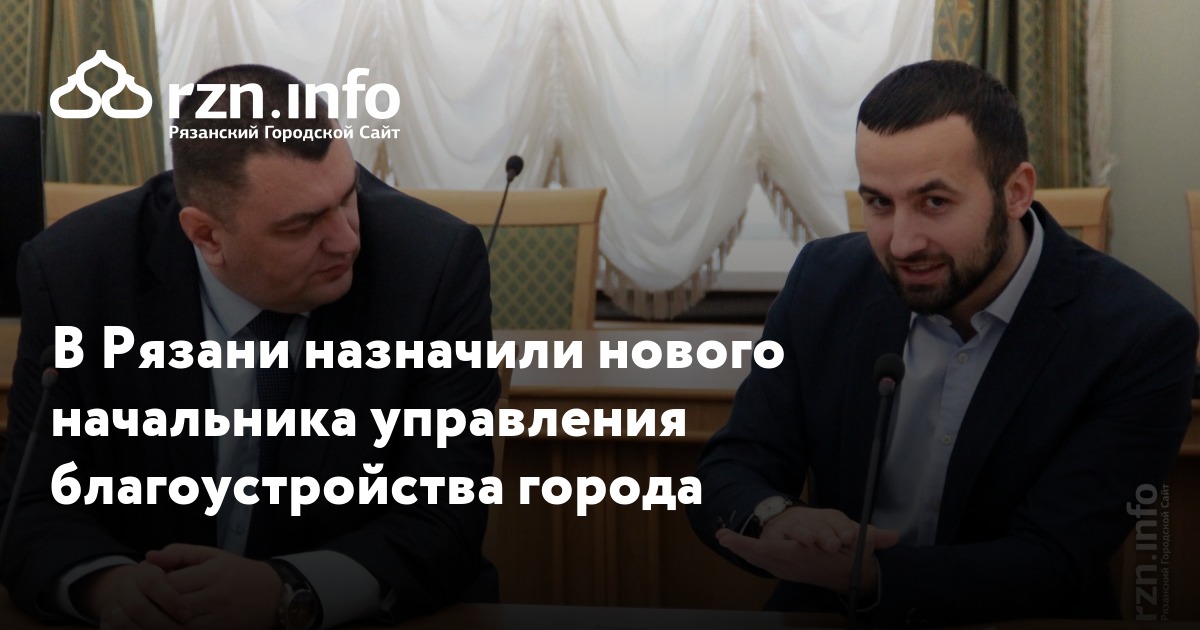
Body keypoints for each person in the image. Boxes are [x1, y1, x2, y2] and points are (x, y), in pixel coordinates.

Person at [688, 59, 1197, 626]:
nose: (902, 243)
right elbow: (731, 467)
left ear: (1016, 192)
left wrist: (873, 577)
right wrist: (775, 518)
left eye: (934, 202)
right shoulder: (822, 282)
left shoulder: (1141, 336)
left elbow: (1053, 557)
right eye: (879, 203)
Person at [0, 64, 499, 629]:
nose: (346, 241)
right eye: (301, 225)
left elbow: (445, 518)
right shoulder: (75, 273)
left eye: (348, 196)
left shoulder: (432, 266)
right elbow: (31, 506)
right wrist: (109, 586)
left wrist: (287, 589)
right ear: (206, 235)